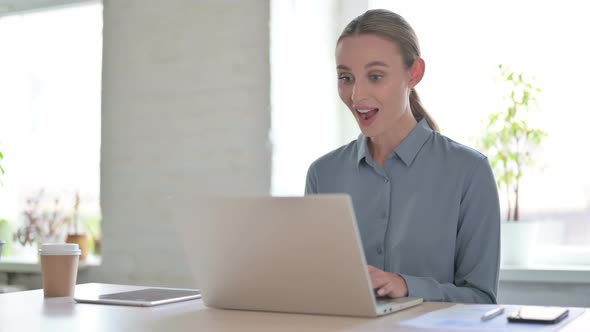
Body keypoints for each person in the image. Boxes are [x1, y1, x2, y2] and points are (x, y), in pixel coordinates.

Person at [304, 9, 501, 304]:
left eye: (375, 76)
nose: (356, 95)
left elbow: (481, 298)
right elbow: (313, 286)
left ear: (415, 73)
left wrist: (407, 286)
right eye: (346, 77)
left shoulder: (469, 172)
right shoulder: (323, 174)